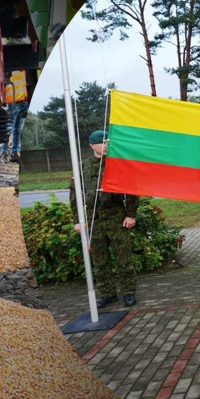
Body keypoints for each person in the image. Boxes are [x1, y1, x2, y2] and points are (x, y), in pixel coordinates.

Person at [69, 130, 139, 308]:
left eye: (108, 142)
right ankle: (107, 293)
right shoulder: (82, 168)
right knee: (99, 260)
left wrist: (131, 214)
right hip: (94, 219)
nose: (106, 145)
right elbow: (74, 195)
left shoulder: (117, 165)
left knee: (123, 258)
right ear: (92, 145)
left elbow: (132, 189)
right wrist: (78, 220)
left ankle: (129, 292)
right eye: (102, 142)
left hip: (116, 216)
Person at [0, 71, 29, 163]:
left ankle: (14, 153)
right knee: (10, 129)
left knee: (17, 130)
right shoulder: (12, 69)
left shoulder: (24, 70)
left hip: (23, 101)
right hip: (13, 102)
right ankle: (3, 153)